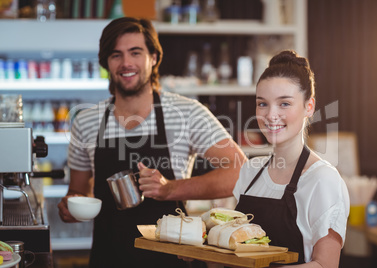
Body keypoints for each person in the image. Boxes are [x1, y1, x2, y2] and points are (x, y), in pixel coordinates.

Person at [57, 17, 247, 268]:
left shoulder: (186, 112)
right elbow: (79, 190)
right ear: (106, 63)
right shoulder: (87, 122)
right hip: (108, 256)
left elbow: (240, 171)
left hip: (172, 258)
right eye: (116, 55)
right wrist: (71, 205)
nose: (126, 63)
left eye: (135, 52)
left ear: (154, 57)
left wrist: (170, 189)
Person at [233, 50, 350, 266]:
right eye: (262, 103)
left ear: (309, 107)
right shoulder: (250, 172)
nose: (270, 115)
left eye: (284, 103)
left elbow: (325, 265)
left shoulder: (322, 180)